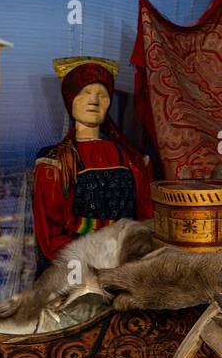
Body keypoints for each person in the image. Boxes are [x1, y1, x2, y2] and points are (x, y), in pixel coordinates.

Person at [33, 57, 154, 266]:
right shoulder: (55, 162)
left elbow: (146, 216)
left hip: (129, 260)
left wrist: (131, 253)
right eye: (85, 92)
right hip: (78, 264)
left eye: (103, 94)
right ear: (70, 98)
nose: (94, 101)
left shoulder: (134, 159)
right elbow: (51, 233)